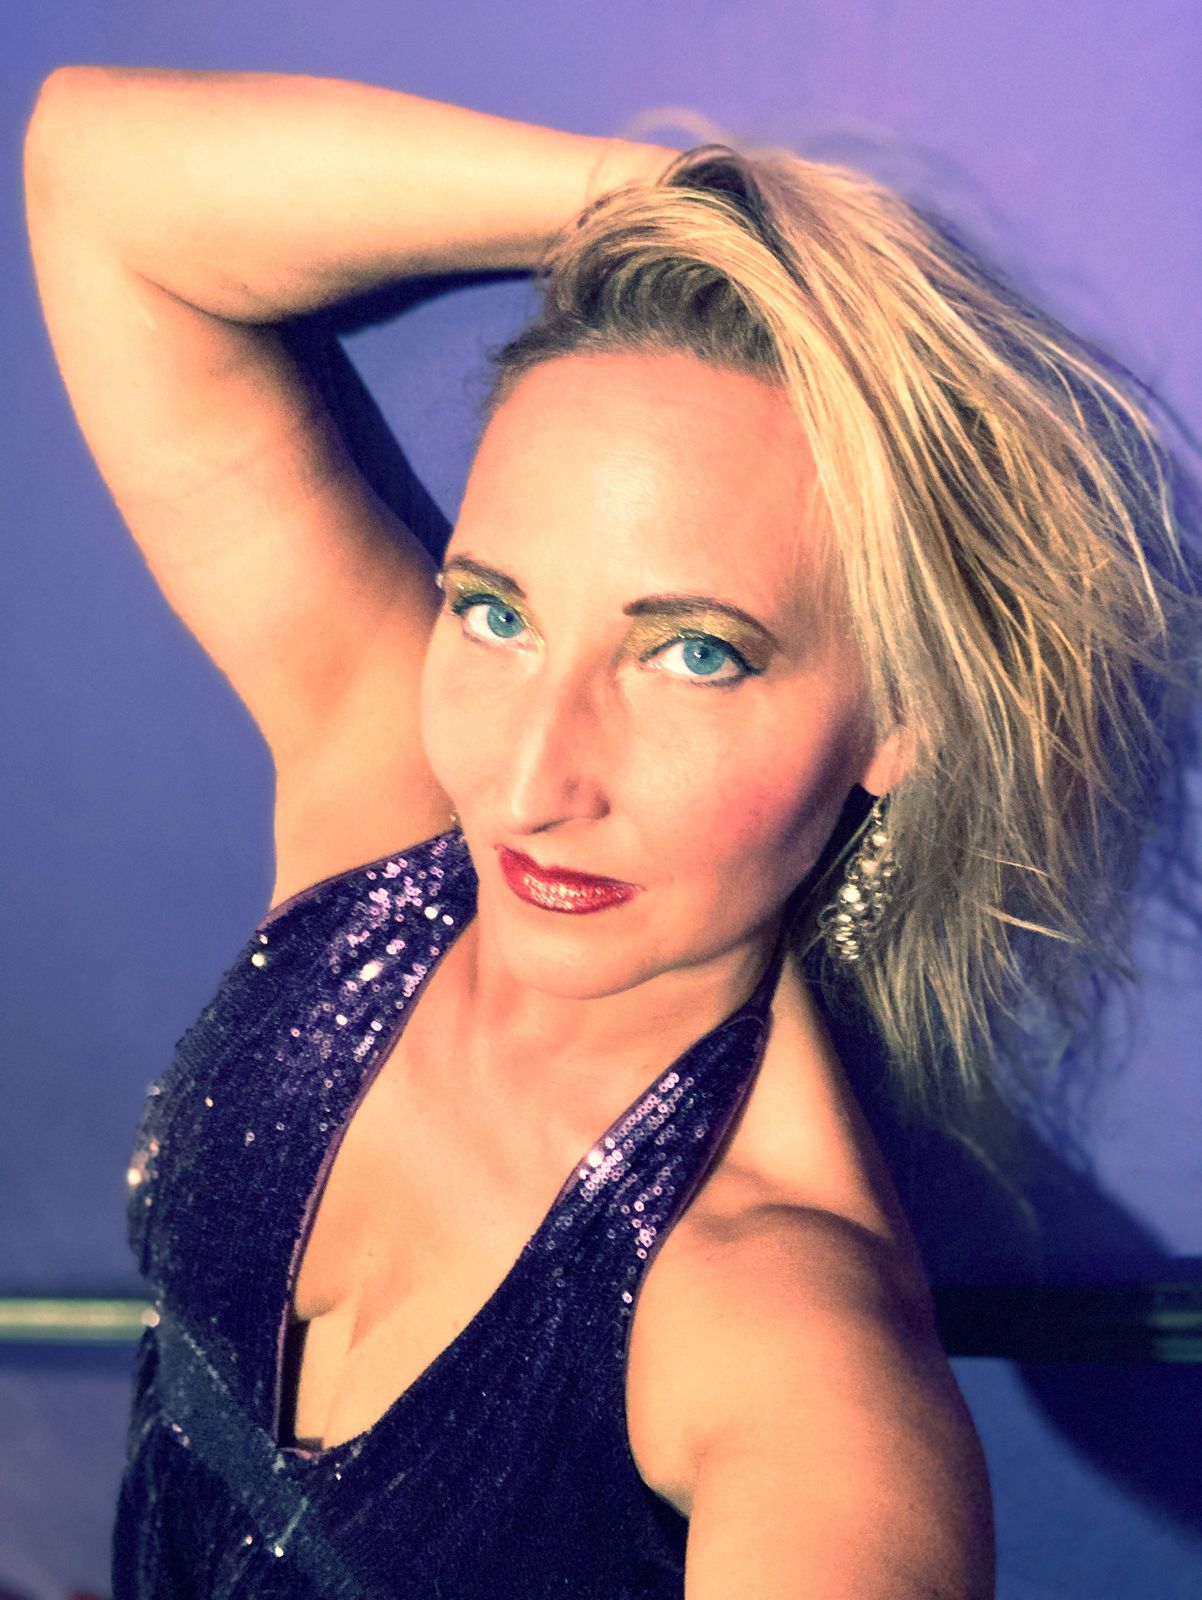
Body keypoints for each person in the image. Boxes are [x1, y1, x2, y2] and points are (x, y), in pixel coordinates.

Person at [23, 64, 1195, 1600]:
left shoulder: (781, 1343)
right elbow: (94, 170)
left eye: (693, 653)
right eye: (494, 612)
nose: (525, 783)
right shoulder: (386, 800)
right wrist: (691, 207)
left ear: (898, 718)